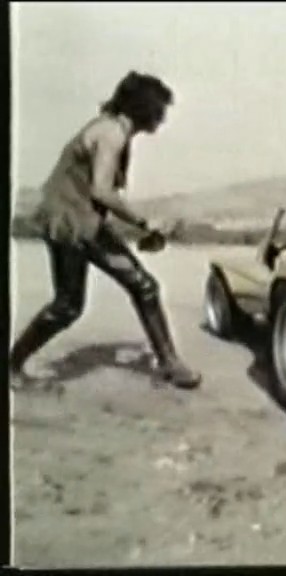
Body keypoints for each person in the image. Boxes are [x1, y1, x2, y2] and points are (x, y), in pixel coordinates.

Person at [9, 71, 201, 390]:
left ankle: (169, 363)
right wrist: (145, 223)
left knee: (142, 287)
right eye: (159, 109)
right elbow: (101, 191)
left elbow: (95, 195)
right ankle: (11, 366)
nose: (162, 117)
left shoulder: (113, 129)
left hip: (83, 222)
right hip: (70, 225)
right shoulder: (112, 133)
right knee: (69, 306)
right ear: (143, 107)